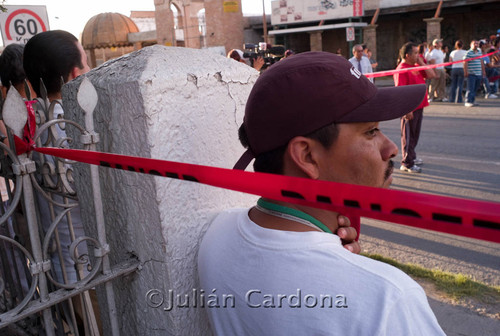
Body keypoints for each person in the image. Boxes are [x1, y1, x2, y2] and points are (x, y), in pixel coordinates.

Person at [198, 52, 445, 335]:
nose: (390, 148)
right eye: (371, 131)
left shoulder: (218, 234)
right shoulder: (388, 300)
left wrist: (340, 260)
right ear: (307, 156)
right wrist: (349, 272)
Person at [23, 30, 90, 284]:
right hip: (91, 264)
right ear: (75, 74)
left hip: (52, 264)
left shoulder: (28, 122)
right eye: (86, 63)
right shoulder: (83, 129)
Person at [394, 42, 436, 174]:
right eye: (416, 53)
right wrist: (407, 109)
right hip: (410, 108)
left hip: (420, 106)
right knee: (408, 136)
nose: (419, 55)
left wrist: (421, 63)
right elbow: (400, 91)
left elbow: (431, 74)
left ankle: (412, 156)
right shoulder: (402, 69)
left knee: (415, 135)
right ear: (408, 55)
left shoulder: (416, 66)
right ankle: (406, 163)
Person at [463, 40, 485, 107]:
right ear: (471, 45)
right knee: (470, 88)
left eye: (477, 43)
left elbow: (481, 62)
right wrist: (465, 71)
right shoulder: (468, 53)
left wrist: (483, 71)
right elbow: (465, 62)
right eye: (474, 43)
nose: (476, 45)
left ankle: (472, 100)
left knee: (476, 88)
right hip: (471, 73)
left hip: (478, 73)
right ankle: (468, 101)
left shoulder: (479, 52)